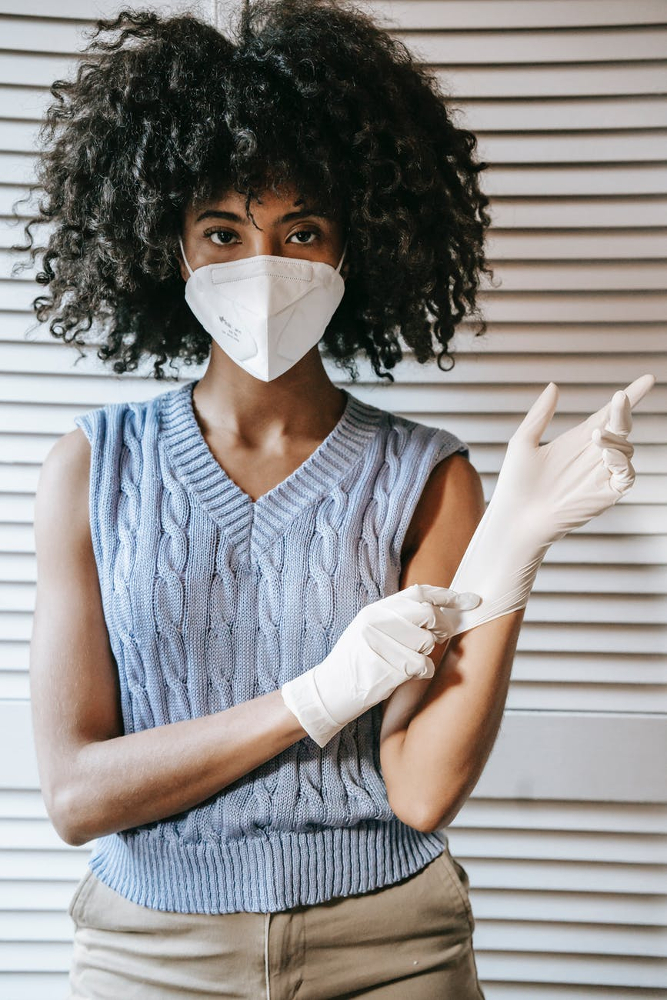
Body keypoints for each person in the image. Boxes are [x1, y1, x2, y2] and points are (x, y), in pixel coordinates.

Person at [21, 2, 654, 998]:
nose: (261, 266)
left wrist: (514, 544)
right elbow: (74, 793)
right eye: (222, 230)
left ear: (357, 245)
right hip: (148, 953)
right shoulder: (93, 468)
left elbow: (420, 787)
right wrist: (315, 698)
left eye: (300, 229)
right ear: (171, 247)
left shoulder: (426, 476)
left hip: (393, 947)